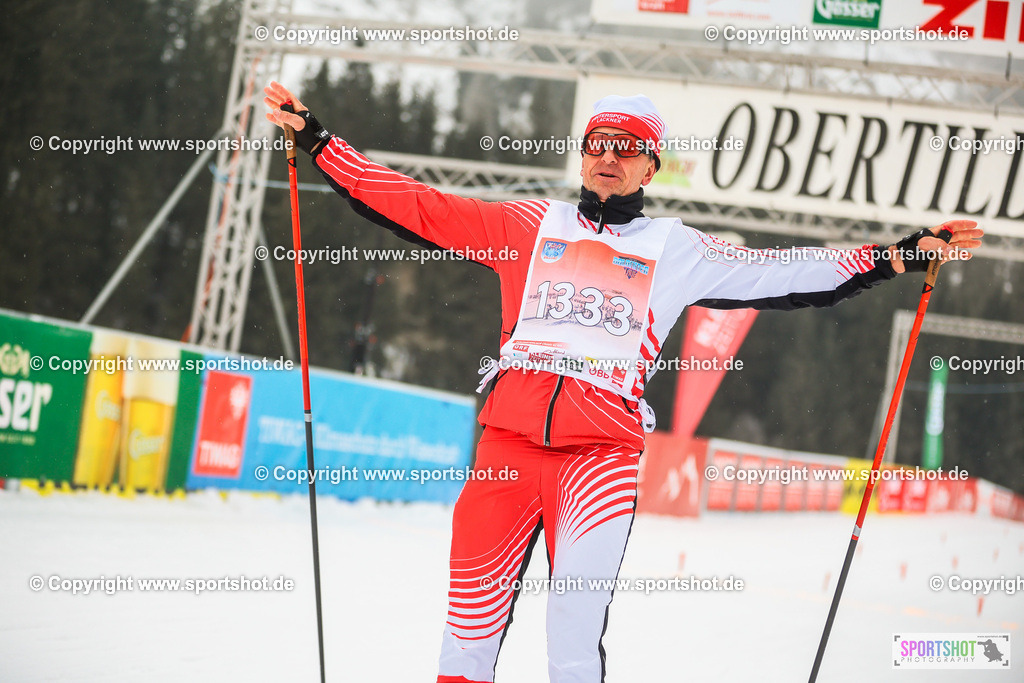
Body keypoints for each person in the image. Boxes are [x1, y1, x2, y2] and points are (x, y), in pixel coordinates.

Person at [263, 82, 982, 683]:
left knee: (573, 638)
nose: (608, 158)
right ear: (582, 156)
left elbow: (785, 270)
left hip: (599, 462)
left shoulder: (675, 248)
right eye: (597, 144)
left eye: (626, 149)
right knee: (466, 631)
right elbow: (416, 204)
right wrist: (322, 144)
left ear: (650, 167)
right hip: (506, 450)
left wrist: (895, 256)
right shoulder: (526, 222)